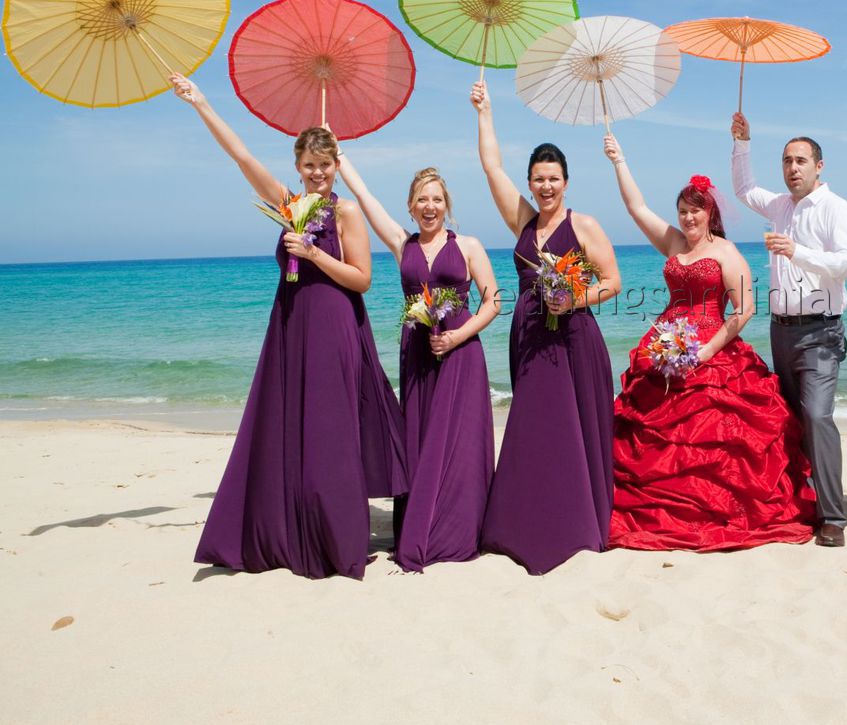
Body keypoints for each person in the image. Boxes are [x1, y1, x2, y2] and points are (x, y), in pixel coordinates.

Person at [171, 74, 406, 580]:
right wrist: (202, 102)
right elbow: (242, 159)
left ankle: (338, 538)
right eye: (309, 166)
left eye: (325, 165)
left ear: (335, 166)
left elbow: (362, 280)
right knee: (288, 426)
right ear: (297, 168)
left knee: (331, 431)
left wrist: (314, 253)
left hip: (335, 327)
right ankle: (287, 529)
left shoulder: (346, 211)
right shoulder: (289, 205)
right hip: (291, 327)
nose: (317, 173)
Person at [603, 135, 815, 551]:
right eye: (682, 212)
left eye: (695, 211)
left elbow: (745, 309)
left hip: (711, 351)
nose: (687, 219)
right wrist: (619, 160)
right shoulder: (673, 243)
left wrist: (706, 351)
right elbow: (636, 208)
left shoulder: (726, 252)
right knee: (649, 436)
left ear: (709, 212)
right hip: (665, 346)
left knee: (717, 439)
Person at [469, 81, 621, 575]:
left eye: (553, 178)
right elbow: (491, 169)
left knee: (573, 430)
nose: (546, 187)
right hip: (531, 341)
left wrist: (572, 297)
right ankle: (522, 523)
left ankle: (576, 525)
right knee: (533, 429)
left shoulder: (585, 225)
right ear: (530, 183)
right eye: (538, 179)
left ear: (566, 181)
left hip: (574, 340)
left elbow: (613, 282)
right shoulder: (524, 225)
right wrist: (484, 112)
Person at [337, 151, 500, 572]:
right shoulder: (401, 243)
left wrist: (459, 336)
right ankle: (418, 525)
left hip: (461, 354)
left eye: (437, 200)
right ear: (411, 207)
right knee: (419, 441)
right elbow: (366, 197)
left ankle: (458, 529)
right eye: (422, 200)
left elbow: (493, 300)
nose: (430, 207)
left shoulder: (468, 245)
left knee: (459, 444)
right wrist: (341, 160)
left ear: (447, 205)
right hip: (416, 356)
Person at [730, 112, 847, 548]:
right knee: (787, 418)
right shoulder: (780, 206)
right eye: (787, 161)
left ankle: (833, 517)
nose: (792, 168)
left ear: (818, 166)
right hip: (781, 330)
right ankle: (797, 503)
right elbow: (745, 190)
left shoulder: (836, 208)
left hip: (821, 331)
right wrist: (742, 143)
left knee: (818, 416)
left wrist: (798, 252)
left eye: (801, 160)